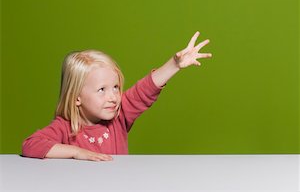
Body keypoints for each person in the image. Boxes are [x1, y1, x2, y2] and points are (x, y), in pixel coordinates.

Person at [22, 31, 212, 161]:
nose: (113, 97)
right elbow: (30, 145)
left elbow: (144, 90)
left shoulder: (119, 116)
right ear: (76, 97)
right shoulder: (64, 127)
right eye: (102, 90)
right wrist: (76, 152)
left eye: (115, 87)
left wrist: (174, 64)